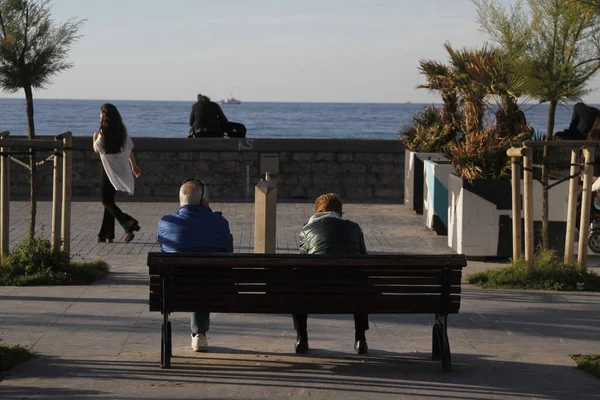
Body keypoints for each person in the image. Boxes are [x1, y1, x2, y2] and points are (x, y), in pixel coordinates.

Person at [157, 179, 233, 352]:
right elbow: (228, 250)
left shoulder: (166, 223)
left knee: (192, 276)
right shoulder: (220, 223)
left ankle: (198, 334)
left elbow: (166, 249)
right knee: (204, 277)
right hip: (218, 288)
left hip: (175, 289)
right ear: (203, 201)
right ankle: (199, 333)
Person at [293, 193, 370, 355]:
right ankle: (360, 338)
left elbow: (302, 262)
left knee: (298, 286)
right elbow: (364, 258)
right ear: (340, 211)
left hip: (316, 289)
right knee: (361, 283)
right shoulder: (354, 227)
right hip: (351, 290)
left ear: (318, 211)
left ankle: (302, 338)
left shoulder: (307, 229)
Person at [93, 103, 141, 244]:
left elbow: (97, 148)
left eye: (101, 113)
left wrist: (95, 136)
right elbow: (128, 148)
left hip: (108, 171)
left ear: (105, 116)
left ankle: (128, 223)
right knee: (110, 202)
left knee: (106, 201)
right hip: (119, 169)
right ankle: (105, 234)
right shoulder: (121, 130)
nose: (99, 116)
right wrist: (134, 165)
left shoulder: (103, 132)